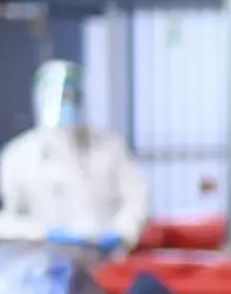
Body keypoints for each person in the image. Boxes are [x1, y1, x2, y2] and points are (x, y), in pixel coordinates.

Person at [0, 60, 148, 255]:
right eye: (59, 98)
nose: (66, 105)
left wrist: (121, 233)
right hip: (41, 265)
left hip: (104, 262)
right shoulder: (18, 157)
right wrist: (42, 233)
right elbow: (4, 220)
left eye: (73, 97)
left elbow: (137, 199)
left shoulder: (110, 148)